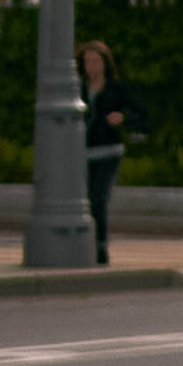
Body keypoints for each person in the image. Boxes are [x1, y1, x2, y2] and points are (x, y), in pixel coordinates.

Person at [80, 41, 128, 266]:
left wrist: (122, 117)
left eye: (96, 61)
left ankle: (100, 247)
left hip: (109, 151)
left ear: (105, 63)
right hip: (85, 152)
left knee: (98, 198)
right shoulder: (79, 89)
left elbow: (137, 112)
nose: (91, 66)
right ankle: (87, 245)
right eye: (87, 61)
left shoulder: (115, 89)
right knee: (86, 200)